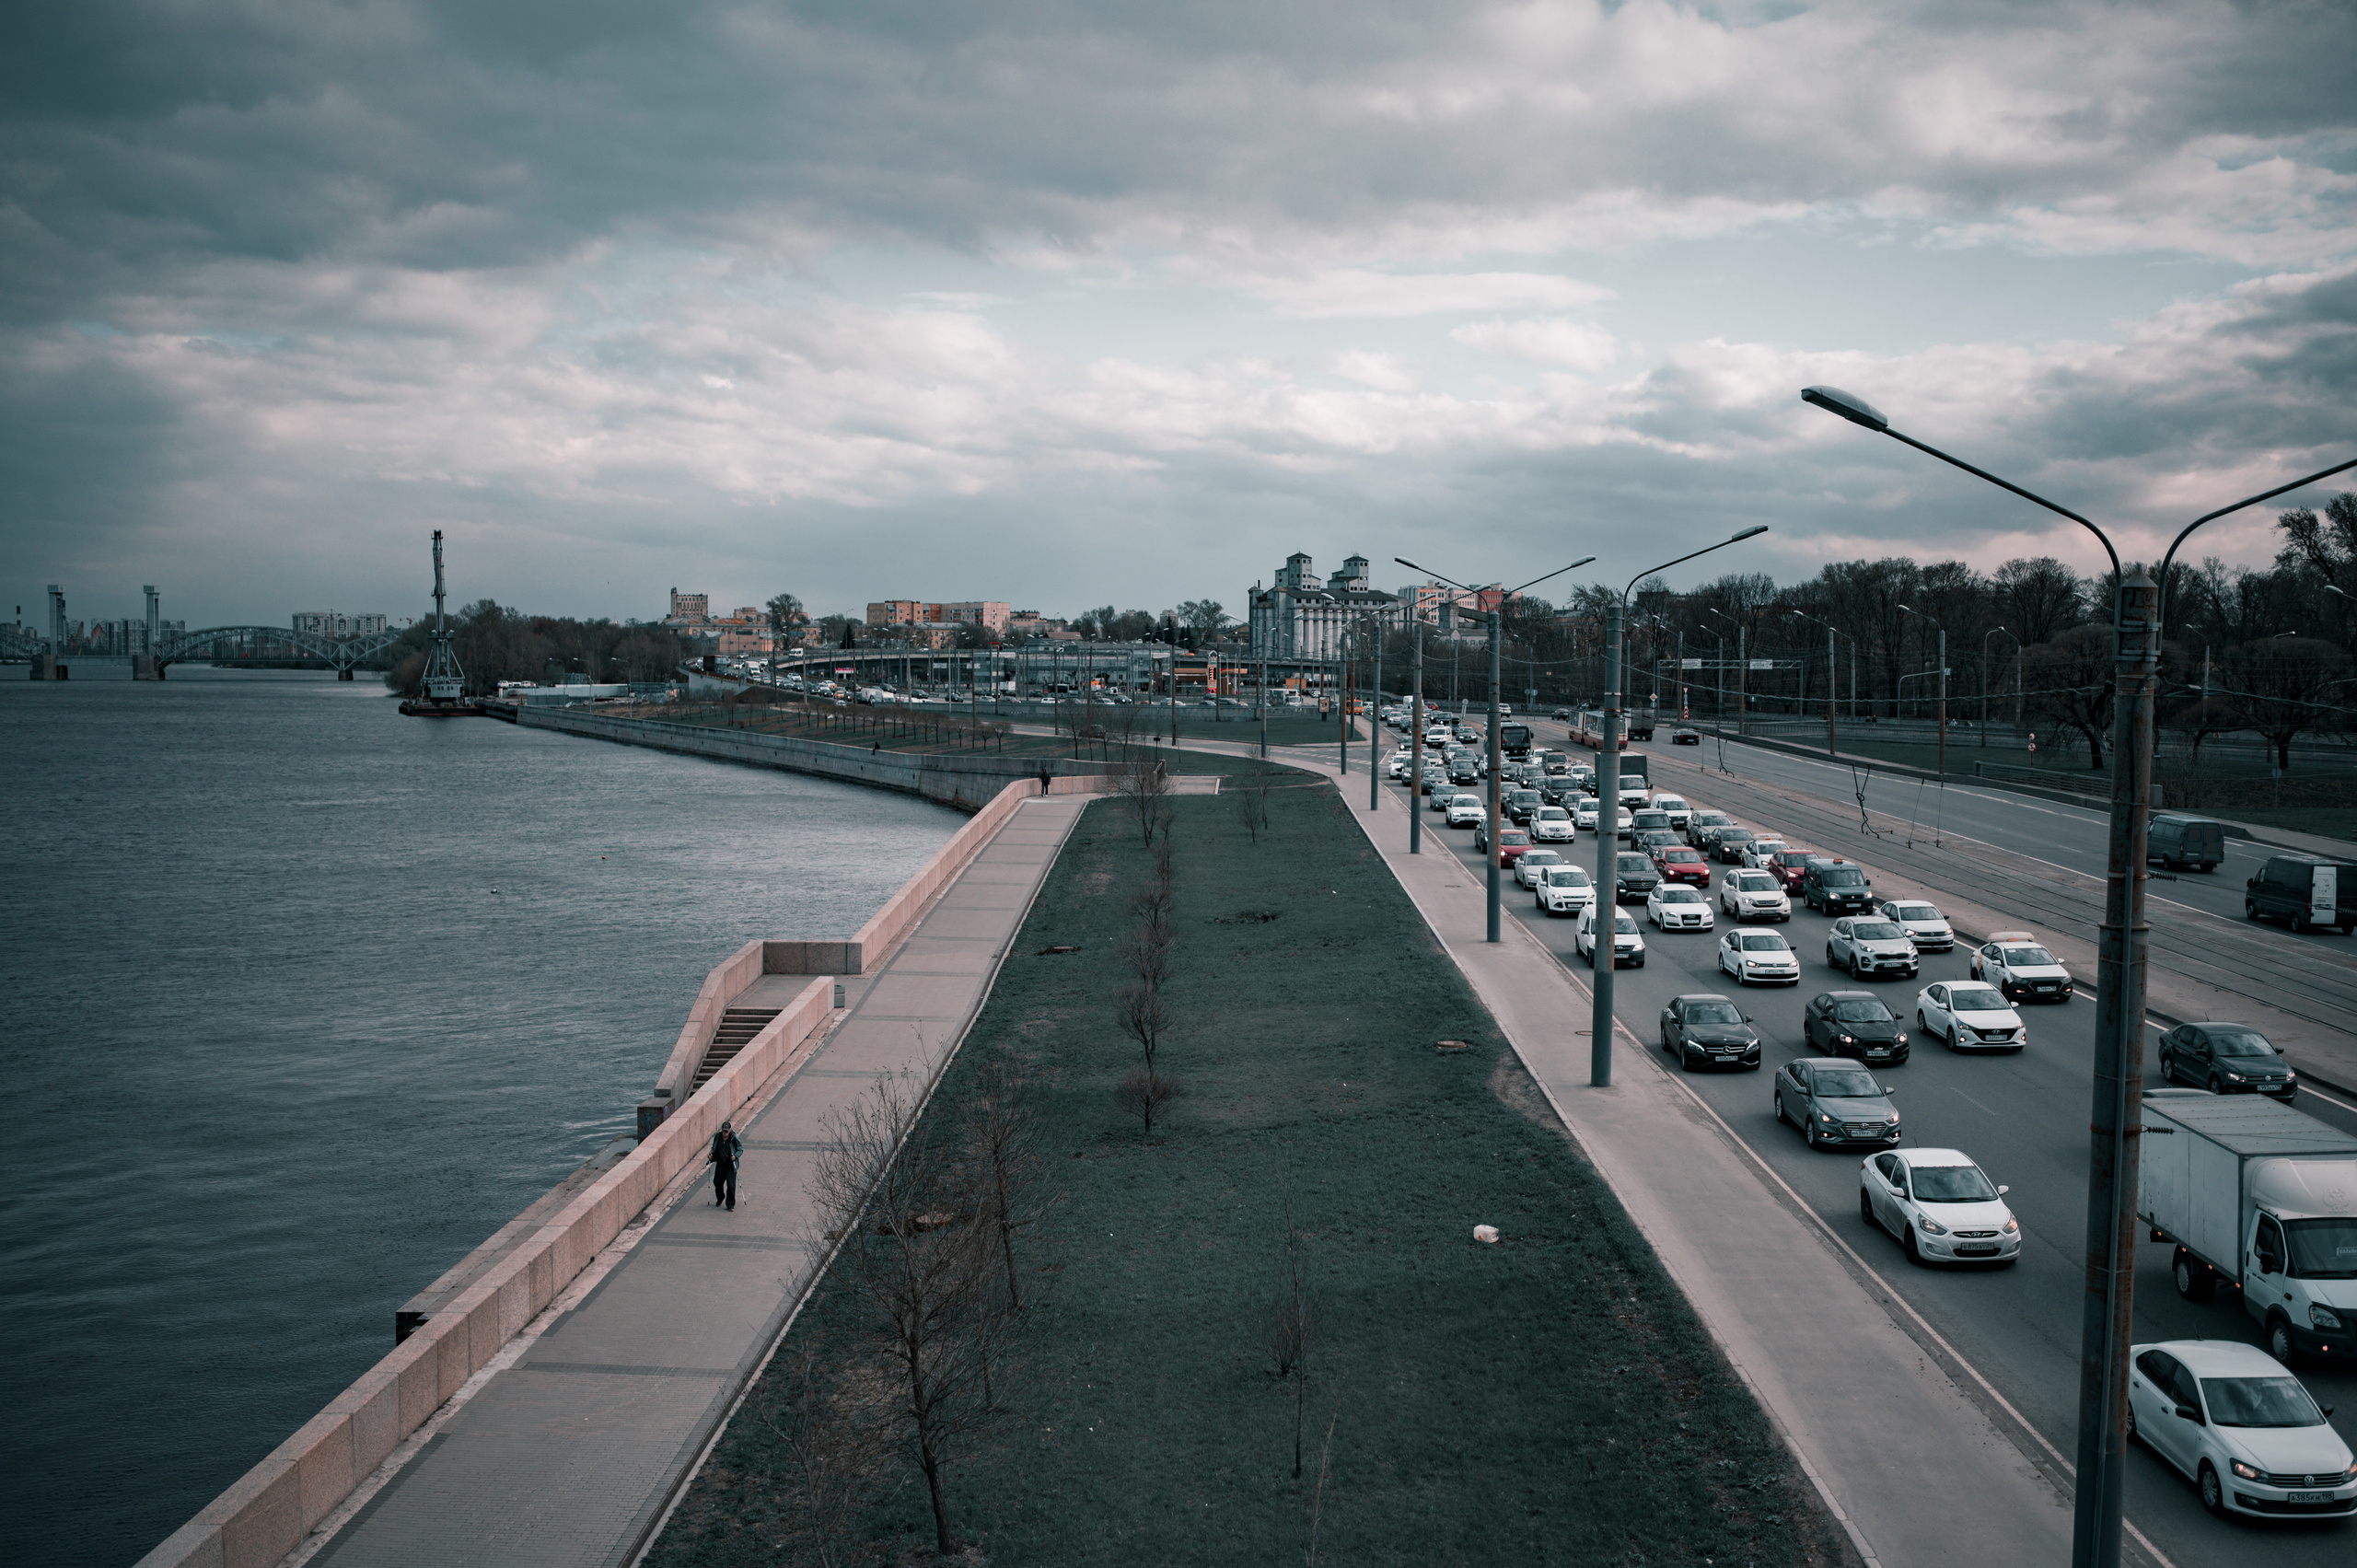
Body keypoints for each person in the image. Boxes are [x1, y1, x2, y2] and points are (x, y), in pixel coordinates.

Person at [708, 1120, 743, 1211]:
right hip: (720, 1163)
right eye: (723, 1131)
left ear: (730, 1130)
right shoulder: (718, 1137)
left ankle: (730, 1205)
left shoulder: (733, 1138)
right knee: (717, 1182)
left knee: (731, 1185)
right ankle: (720, 1197)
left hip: (730, 1165)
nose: (725, 1133)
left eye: (726, 1131)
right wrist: (711, 1154)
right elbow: (713, 1147)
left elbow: (740, 1149)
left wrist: (735, 1156)